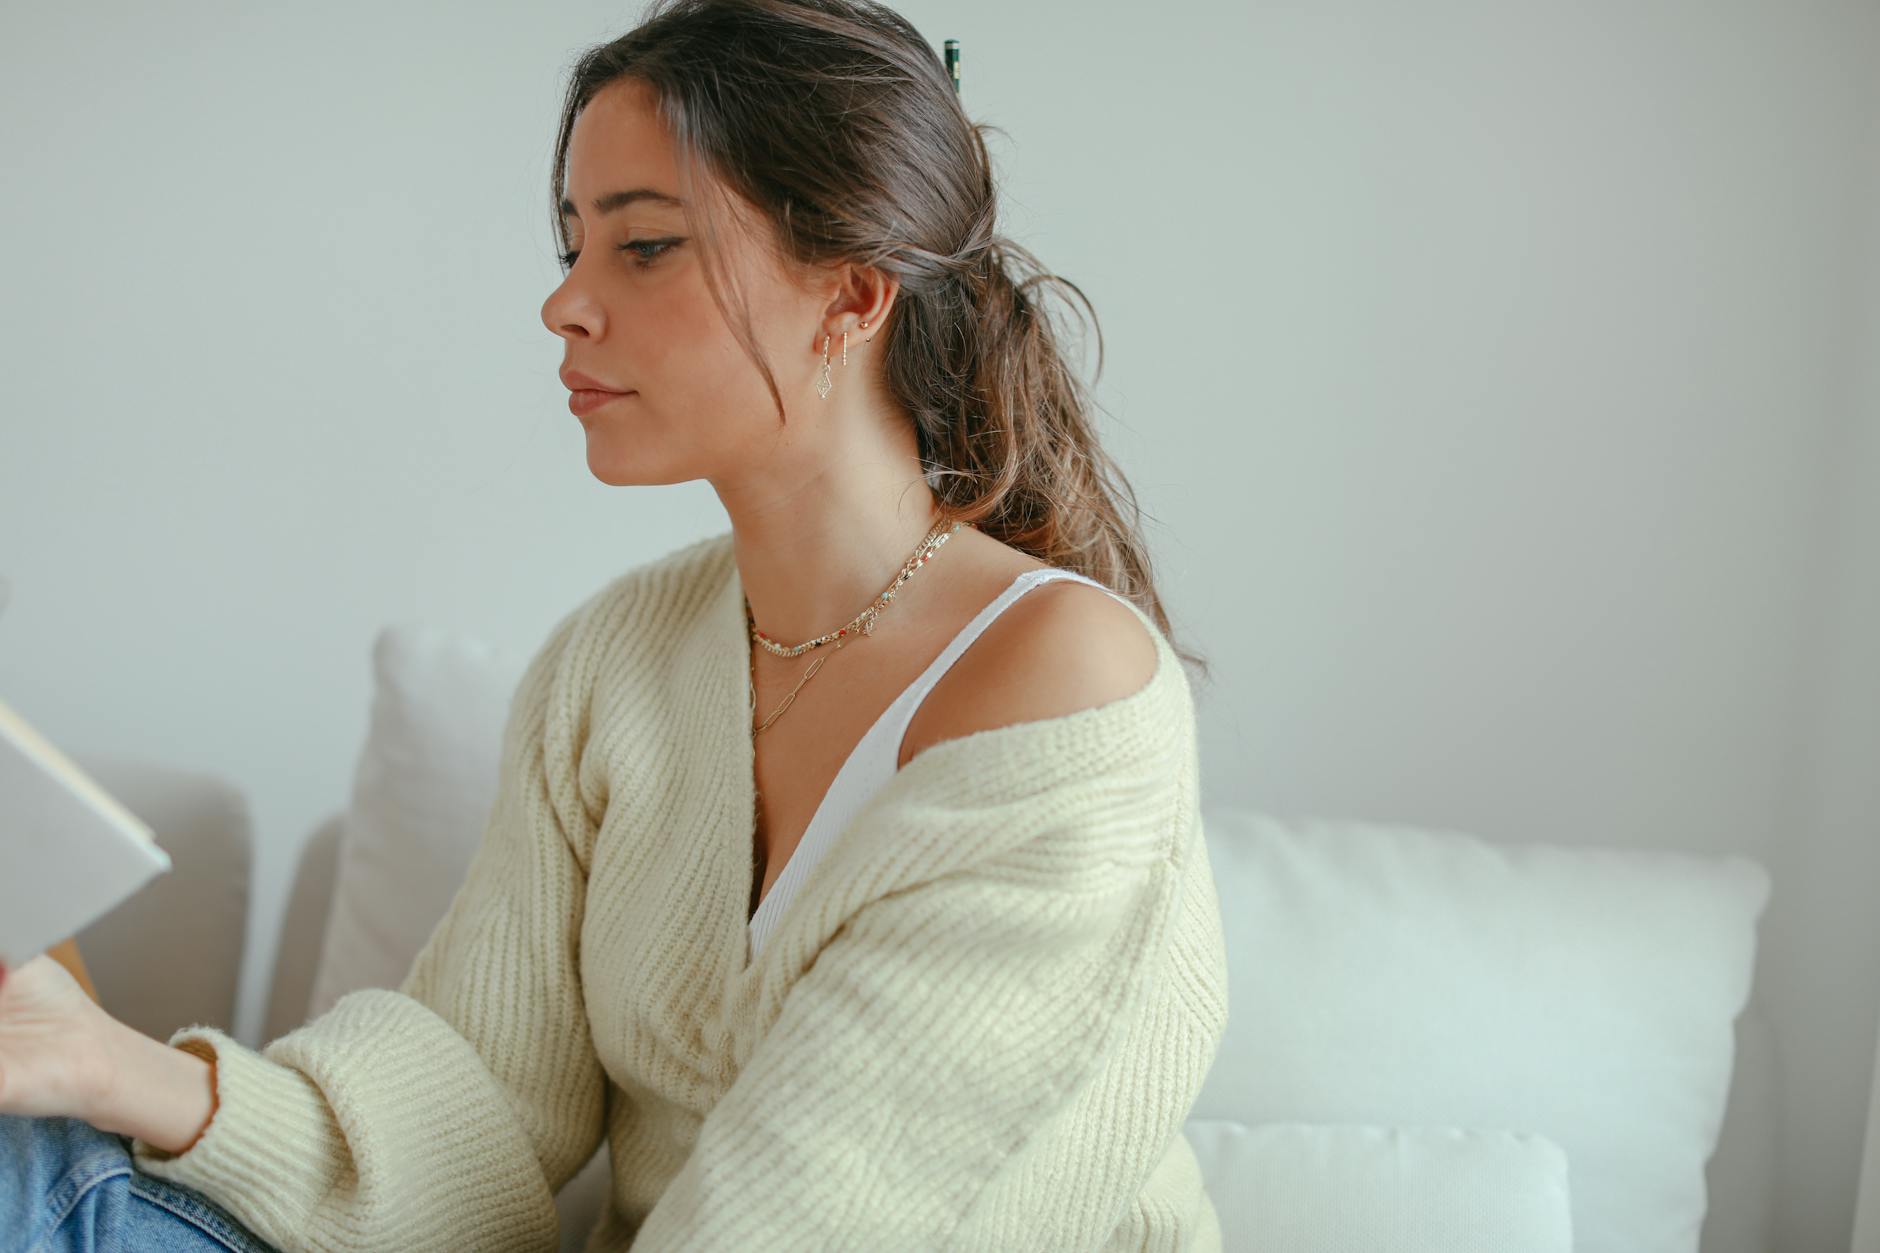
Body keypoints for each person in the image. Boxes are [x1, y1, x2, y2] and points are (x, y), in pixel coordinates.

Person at [0, 0, 1228, 1248]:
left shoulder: (1062, 686)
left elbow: (826, 1209)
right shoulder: (619, 657)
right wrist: (105, 1063)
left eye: (641, 247)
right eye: (570, 245)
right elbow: (478, 1099)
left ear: (851, 294)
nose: (564, 307)